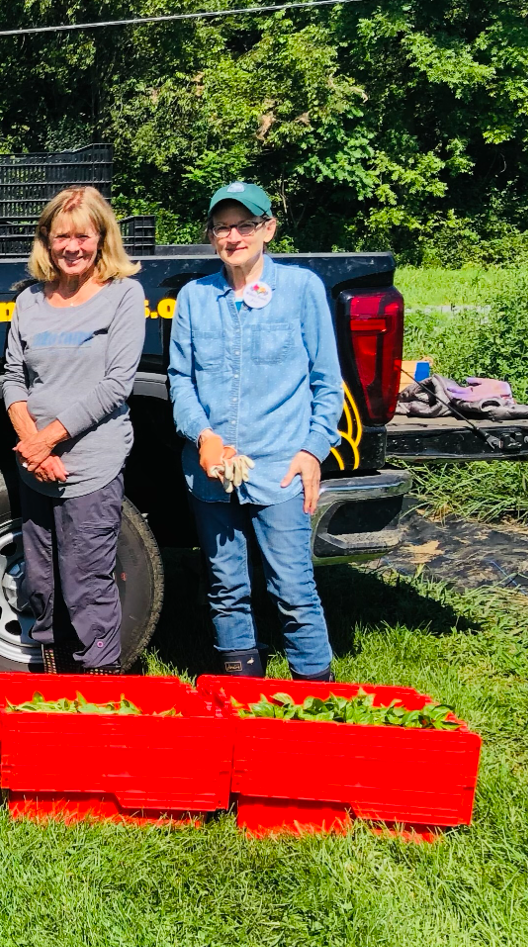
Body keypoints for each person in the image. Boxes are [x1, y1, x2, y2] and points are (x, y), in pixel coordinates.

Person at [168, 181, 343, 681]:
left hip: (280, 467)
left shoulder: (302, 290)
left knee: (293, 588)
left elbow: (327, 382)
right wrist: (203, 435)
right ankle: (242, 693)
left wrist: (312, 450)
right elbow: (180, 380)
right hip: (212, 473)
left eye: (245, 225)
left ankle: (317, 697)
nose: (233, 237)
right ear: (211, 236)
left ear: (268, 229)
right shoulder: (194, 298)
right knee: (226, 588)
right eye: (222, 227)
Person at [2, 186, 147, 674]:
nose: (72, 247)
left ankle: (99, 689)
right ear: (46, 239)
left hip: (90, 467)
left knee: (87, 586)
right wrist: (34, 448)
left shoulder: (123, 295)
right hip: (36, 470)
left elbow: (116, 385)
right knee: (41, 585)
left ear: (102, 237)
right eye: (62, 236)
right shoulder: (29, 301)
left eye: (83, 236)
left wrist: (46, 440)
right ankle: (54, 684)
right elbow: (13, 377)